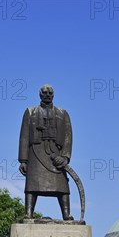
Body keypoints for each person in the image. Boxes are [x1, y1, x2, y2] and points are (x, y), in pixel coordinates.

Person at [18, 84, 73, 220]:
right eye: (44, 92)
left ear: (53, 95)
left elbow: (68, 137)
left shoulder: (62, 113)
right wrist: (23, 160)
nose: (47, 95)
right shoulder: (30, 112)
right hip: (36, 152)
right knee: (32, 184)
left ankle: (66, 214)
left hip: (56, 153)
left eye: (50, 93)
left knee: (62, 185)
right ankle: (28, 213)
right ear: (40, 94)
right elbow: (24, 136)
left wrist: (65, 157)